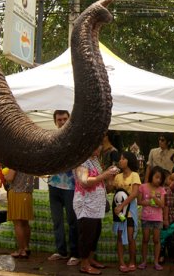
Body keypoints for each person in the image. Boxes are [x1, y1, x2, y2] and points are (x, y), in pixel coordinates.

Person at [74, 144, 118, 275]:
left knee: (95, 233)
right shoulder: (81, 161)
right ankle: (84, 264)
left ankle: (90, 259)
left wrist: (110, 177)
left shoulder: (95, 161)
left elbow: (104, 185)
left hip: (96, 205)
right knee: (87, 234)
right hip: (86, 204)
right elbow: (84, 181)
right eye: (97, 145)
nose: (100, 148)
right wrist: (105, 174)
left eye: (100, 145)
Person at [47, 110, 80, 265]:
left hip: (71, 187)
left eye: (65, 119)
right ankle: (61, 251)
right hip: (53, 185)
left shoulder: (75, 139)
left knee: (72, 221)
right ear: (55, 122)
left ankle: (75, 254)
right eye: (59, 119)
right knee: (57, 221)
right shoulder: (50, 139)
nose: (62, 122)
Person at [111, 151, 141, 273]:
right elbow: (112, 190)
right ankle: (122, 262)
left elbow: (134, 194)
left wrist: (122, 206)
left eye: (123, 159)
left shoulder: (135, 175)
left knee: (130, 236)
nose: (120, 161)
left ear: (129, 160)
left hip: (129, 211)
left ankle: (132, 261)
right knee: (119, 236)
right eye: (120, 159)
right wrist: (108, 176)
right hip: (119, 211)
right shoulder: (117, 177)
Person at [137, 165, 167, 271]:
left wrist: (154, 197)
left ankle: (156, 262)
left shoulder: (162, 190)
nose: (158, 180)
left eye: (160, 178)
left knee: (156, 240)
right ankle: (144, 261)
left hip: (157, 219)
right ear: (151, 176)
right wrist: (145, 202)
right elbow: (139, 201)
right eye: (156, 177)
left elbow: (162, 205)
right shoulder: (143, 187)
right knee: (145, 239)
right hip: (146, 217)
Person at [5, 168, 36, 259]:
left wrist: (5, 175)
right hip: (27, 194)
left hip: (17, 193)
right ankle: (26, 247)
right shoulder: (28, 163)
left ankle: (21, 250)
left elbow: (10, 177)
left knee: (18, 223)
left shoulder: (15, 163)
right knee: (25, 223)